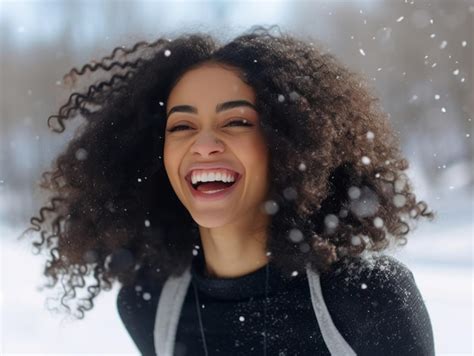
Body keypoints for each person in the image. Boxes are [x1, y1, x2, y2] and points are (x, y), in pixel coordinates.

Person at [22, 26, 436, 355]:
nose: (203, 144)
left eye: (236, 122)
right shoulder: (149, 306)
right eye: (182, 126)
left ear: (287, 143)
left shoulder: (367, 300)